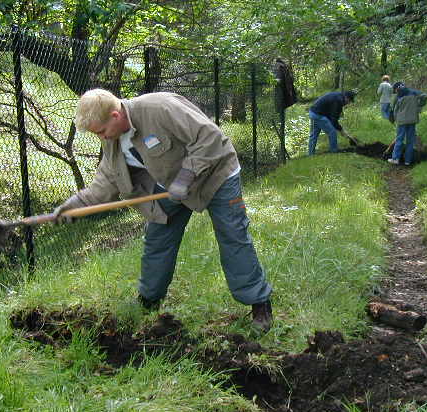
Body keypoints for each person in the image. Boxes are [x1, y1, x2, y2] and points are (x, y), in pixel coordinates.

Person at [53, 89, 274, 332]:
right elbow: (106, 180)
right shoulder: (112, 141)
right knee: (157, 240)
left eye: (101, 131)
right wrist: (76, 206)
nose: (101, 138)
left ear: (116, 115)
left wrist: (187, 176)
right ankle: (148, 301)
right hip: (170, 185)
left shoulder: (161, 108)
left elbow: (210, 138)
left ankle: (259, 303)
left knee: (233, 236)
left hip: (216, 176)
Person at [388, 82, 427, 166]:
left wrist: (395, 119)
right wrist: (419, 106)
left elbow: (395, 110)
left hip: (401, 121)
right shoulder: (413, 92)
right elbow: (425, 96)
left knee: (399, 139)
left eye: (395, 91)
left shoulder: (398, 96)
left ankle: (395, 159)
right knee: (410, 141)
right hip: (412, 120)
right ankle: (408, 161)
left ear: (396, 89)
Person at [308, 90, 356, 155]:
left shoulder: (338, 95)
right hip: (318, 115)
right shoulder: (338, 101)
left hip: (312, 112)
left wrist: (341, 130)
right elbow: (334, 120)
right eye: (350, 101)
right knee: (332, 131)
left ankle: (310, 154)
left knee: (313, 135)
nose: (349, 103)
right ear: (346, 98)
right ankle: (334, 151)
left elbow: (332, 115)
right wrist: (341, 130)